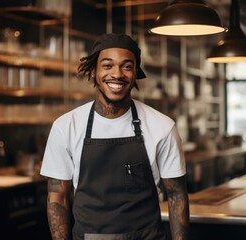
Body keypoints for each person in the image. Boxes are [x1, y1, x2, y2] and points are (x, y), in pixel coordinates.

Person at [40, 33, 189, 240]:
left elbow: (176, 195)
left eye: (127, 66)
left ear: (136, 72)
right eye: (107, 65)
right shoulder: (66, 127)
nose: (117, 74)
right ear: (93, 71)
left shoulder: (162, 126)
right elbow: (57, 197)